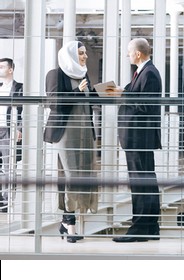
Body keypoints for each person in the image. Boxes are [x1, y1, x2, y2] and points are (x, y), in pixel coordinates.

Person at [107, 38, 162, 243]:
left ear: (138, 53)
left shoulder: (149, 73)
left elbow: (146, 104)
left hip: (140, 136)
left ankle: (140, 228)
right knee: (144, 181)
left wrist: (124, 94)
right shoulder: (143, 72)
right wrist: (125, 91)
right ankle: (150, 227)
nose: (128, 55)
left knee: (141, 182)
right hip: (137, 136)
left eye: (130, 52)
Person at [43, 41, 99, 243]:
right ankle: (70, 223)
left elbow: (89, 102)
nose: (84, 57)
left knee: (82, 175)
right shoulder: (55, 74)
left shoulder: (83, 74)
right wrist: (78, 91)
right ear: (70, 55)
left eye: (84, 53)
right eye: (81, 53)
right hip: (65, 134)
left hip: (84, 133)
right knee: (68, 175)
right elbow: (54, 103)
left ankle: (67, 222)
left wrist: (100, 93)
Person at [0, 58, 23, 213]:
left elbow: (24, 110)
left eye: (1, 67)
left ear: (10, 70)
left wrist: (20, 128)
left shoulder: (20, 87)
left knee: (8, 167)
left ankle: (7, 202)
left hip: (8, 130)